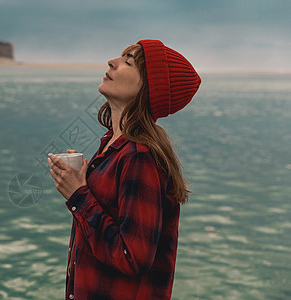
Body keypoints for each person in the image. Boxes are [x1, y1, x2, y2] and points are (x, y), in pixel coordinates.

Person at [47, 39, 201, 300]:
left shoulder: (140, 157)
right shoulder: (111, 146)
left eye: (128, 62)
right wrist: (84, 181)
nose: (112, 61)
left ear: (148, 88)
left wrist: (78, 195)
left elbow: (133, 258)